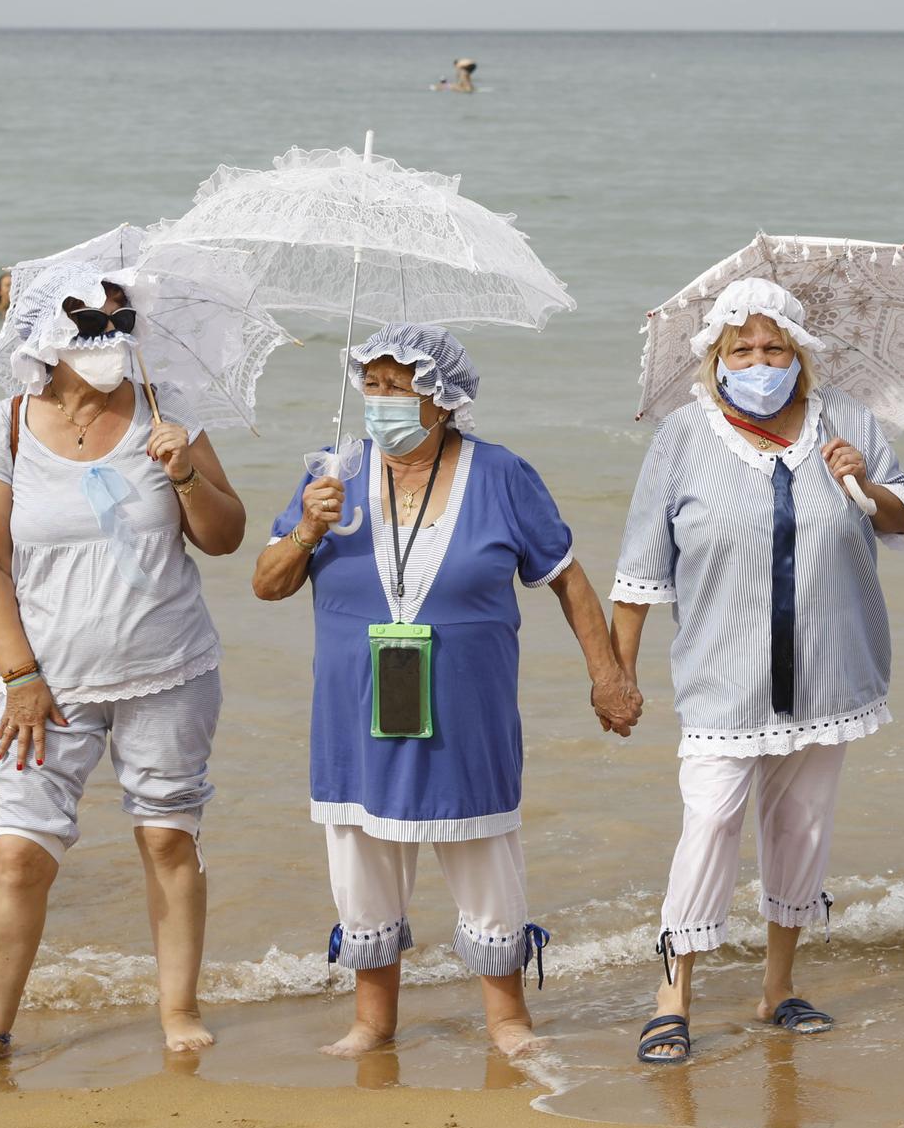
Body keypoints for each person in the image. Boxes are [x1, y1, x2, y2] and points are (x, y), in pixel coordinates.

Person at [253, 323, 640, 1059]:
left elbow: (567, 577)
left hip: (467, 713)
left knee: (484, 851)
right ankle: (372, 1022)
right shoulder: (330, 475)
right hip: (355, 714)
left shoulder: (500, 474)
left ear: (442, 398)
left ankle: (507, 1019)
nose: (380, 401)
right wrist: (306, 526)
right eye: (371, 384)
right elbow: (266, 583)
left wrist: (608, 676)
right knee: (360, 851)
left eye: (397, 387)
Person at [0, 263, 246, 1069]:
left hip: (169, 671)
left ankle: (178, 1010)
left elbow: (225, 537)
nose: (108, 337)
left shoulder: (169, 411)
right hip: (44, 685)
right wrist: (19, 675)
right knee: (18, 852)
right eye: (89, 323)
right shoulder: (2, 424)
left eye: (119, 322)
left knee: (168, 839)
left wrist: (182, 470)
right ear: (46, 332)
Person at [612, 278, 904, 1063]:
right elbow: (642, 567)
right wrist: (618, 672)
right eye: (740, 349)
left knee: (802, 828)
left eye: (773, 347)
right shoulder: (682, 437)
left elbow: (903, 517)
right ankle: (672, 995)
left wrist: (867, 482)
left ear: (799, 354)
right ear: (714, 358)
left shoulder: (845, 421)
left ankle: (778, 987)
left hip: (828, 669)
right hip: (723, 678)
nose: (759, 360)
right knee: (710, 820)